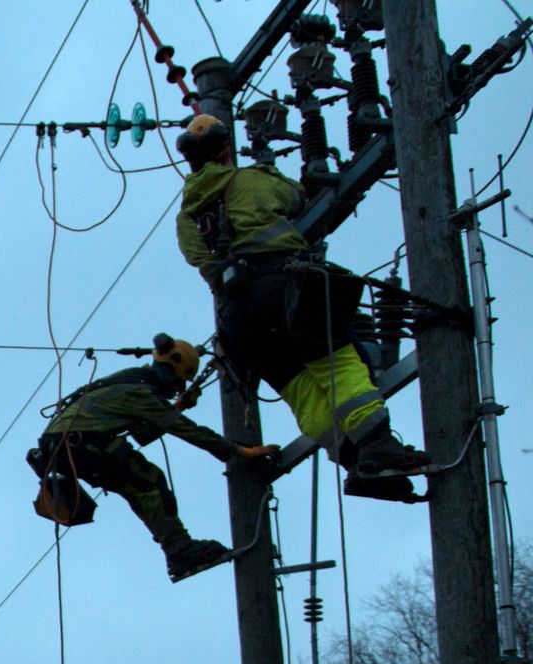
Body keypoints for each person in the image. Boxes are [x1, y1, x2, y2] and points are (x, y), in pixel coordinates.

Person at [175, 112, 428, 501]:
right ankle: (378, 448)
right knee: (339, 362)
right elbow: (295, 197)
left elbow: (200, 261)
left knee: (302, 391)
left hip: (238, 323)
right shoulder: (250, 180)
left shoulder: (187, 216)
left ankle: (355, 461)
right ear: (226, 148)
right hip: (282, 290)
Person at [28, 335, 278, 581]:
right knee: (149, 481)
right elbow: (188, 431)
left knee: (140, 484)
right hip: (80, 443)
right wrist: (241, 451)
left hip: (67, 445)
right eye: (179, 383)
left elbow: (143, 434)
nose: (176, 390)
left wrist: (176, 406)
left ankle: (177, 548)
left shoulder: (136, 381)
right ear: (172, 369)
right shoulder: (142, 391)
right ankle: (180, 549)